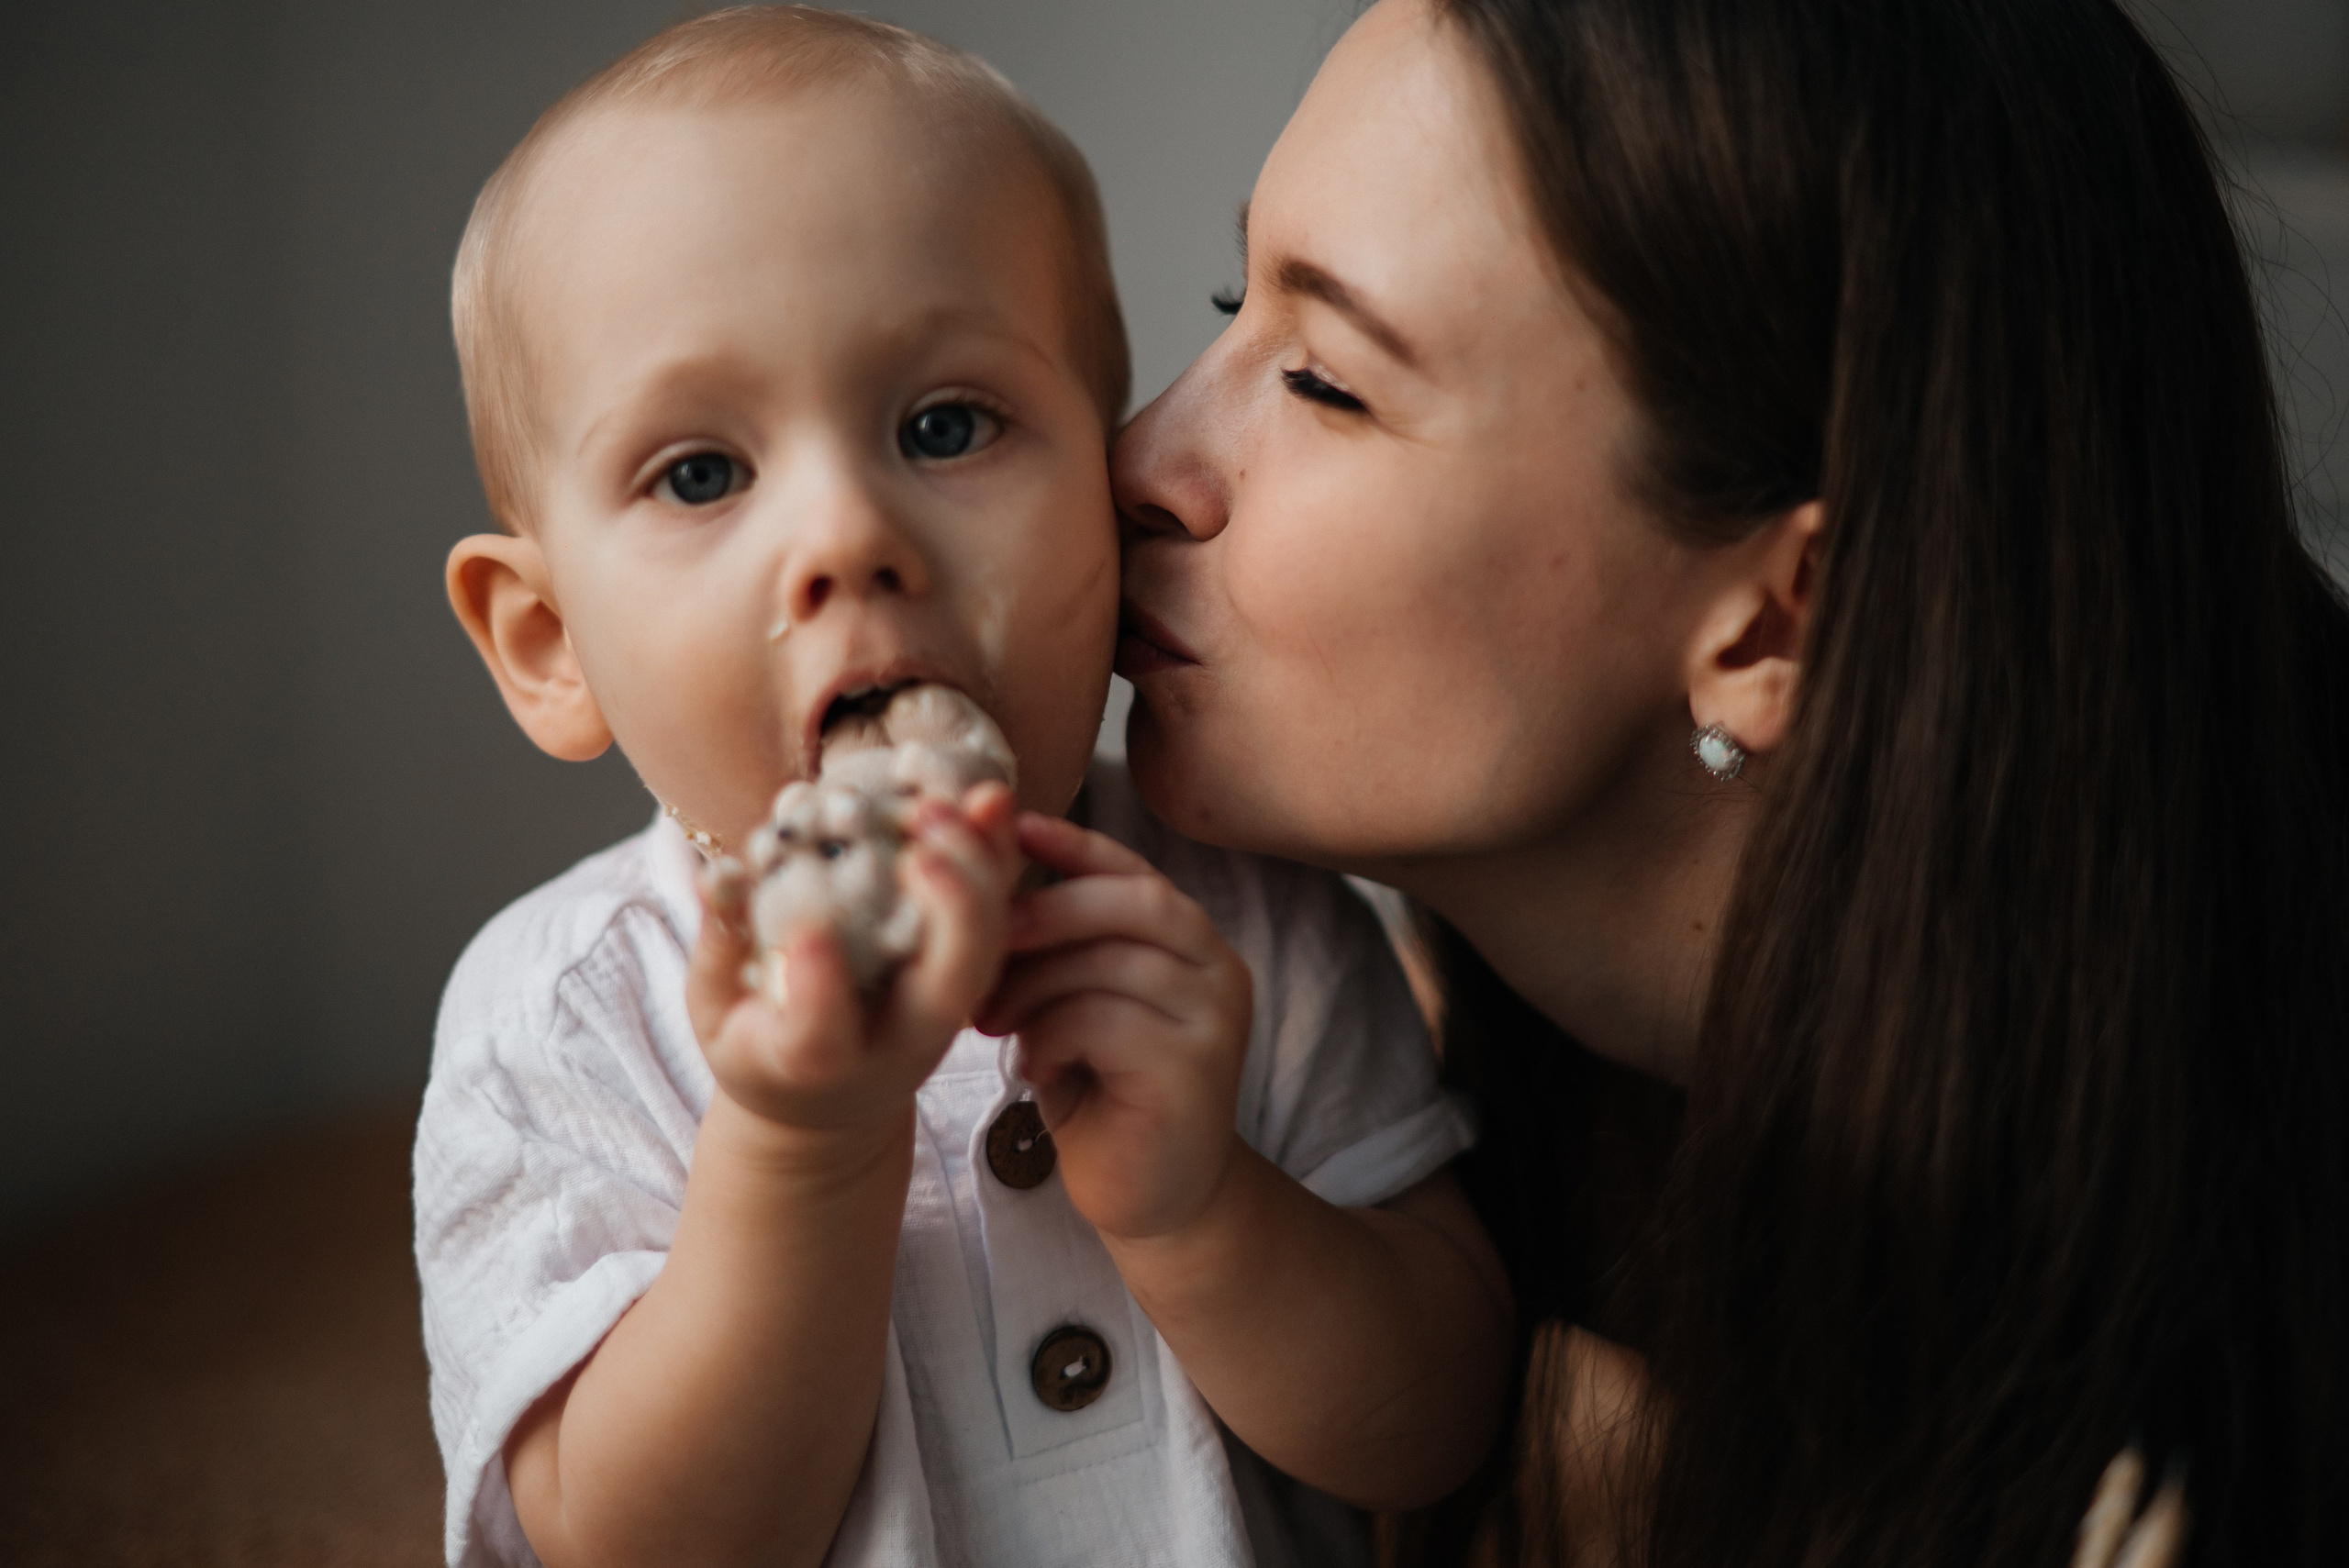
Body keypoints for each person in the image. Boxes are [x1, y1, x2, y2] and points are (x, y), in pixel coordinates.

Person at [1110, 0, 2349, 1563]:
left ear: (1776, 619)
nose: (1144, 456)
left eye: (1325, 381)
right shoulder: (1363, 1139)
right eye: (1235, 303)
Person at [414, 9, 1509, 1568]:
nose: (848, 532)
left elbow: (1445, 1417)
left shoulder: (1244, 918)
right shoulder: (564, 1017)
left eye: (945, 425)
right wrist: (803, 1145)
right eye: (702, 473)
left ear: (1109, 499)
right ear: (547, 643)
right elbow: (622, 1545)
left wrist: (1205, 1209)